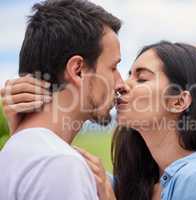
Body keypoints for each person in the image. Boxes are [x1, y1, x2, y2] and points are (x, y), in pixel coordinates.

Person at [2, 41, 196, 200]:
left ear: (178, 102)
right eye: (128, 74)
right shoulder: (128, 184)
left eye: (141, 78)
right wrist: (23, 128)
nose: (121, 85)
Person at [0, 0, 124, 200]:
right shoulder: (61, 164)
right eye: (113, 67)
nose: (120, 83)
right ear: (78, 70)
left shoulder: (15, 151)